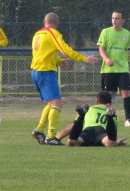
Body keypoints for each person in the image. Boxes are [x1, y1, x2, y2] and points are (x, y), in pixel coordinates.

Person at [30, 12, 98, 145]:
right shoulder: (53, 33)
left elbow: (44, 53)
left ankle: (39, 130)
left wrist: (59, 61)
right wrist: (83, 58)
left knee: (51, 103)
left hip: (36, 71)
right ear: (57, 24)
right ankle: (51, 137)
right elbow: (66, 49)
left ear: (44, 23)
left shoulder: (37, 34)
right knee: (57, 104)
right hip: (46, 72)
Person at [98, 10, 130, 127]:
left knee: (126, 92)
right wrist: (106, 59)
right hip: (108, 70)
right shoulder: (105, 32)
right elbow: (101, 48)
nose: (114, 20)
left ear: (122, 20)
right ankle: (106, 118)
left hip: (123, 69)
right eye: (113, 18)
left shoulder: (127, 34)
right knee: (108, 95)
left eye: (117, 18)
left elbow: (125, 49)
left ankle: (128, 120)